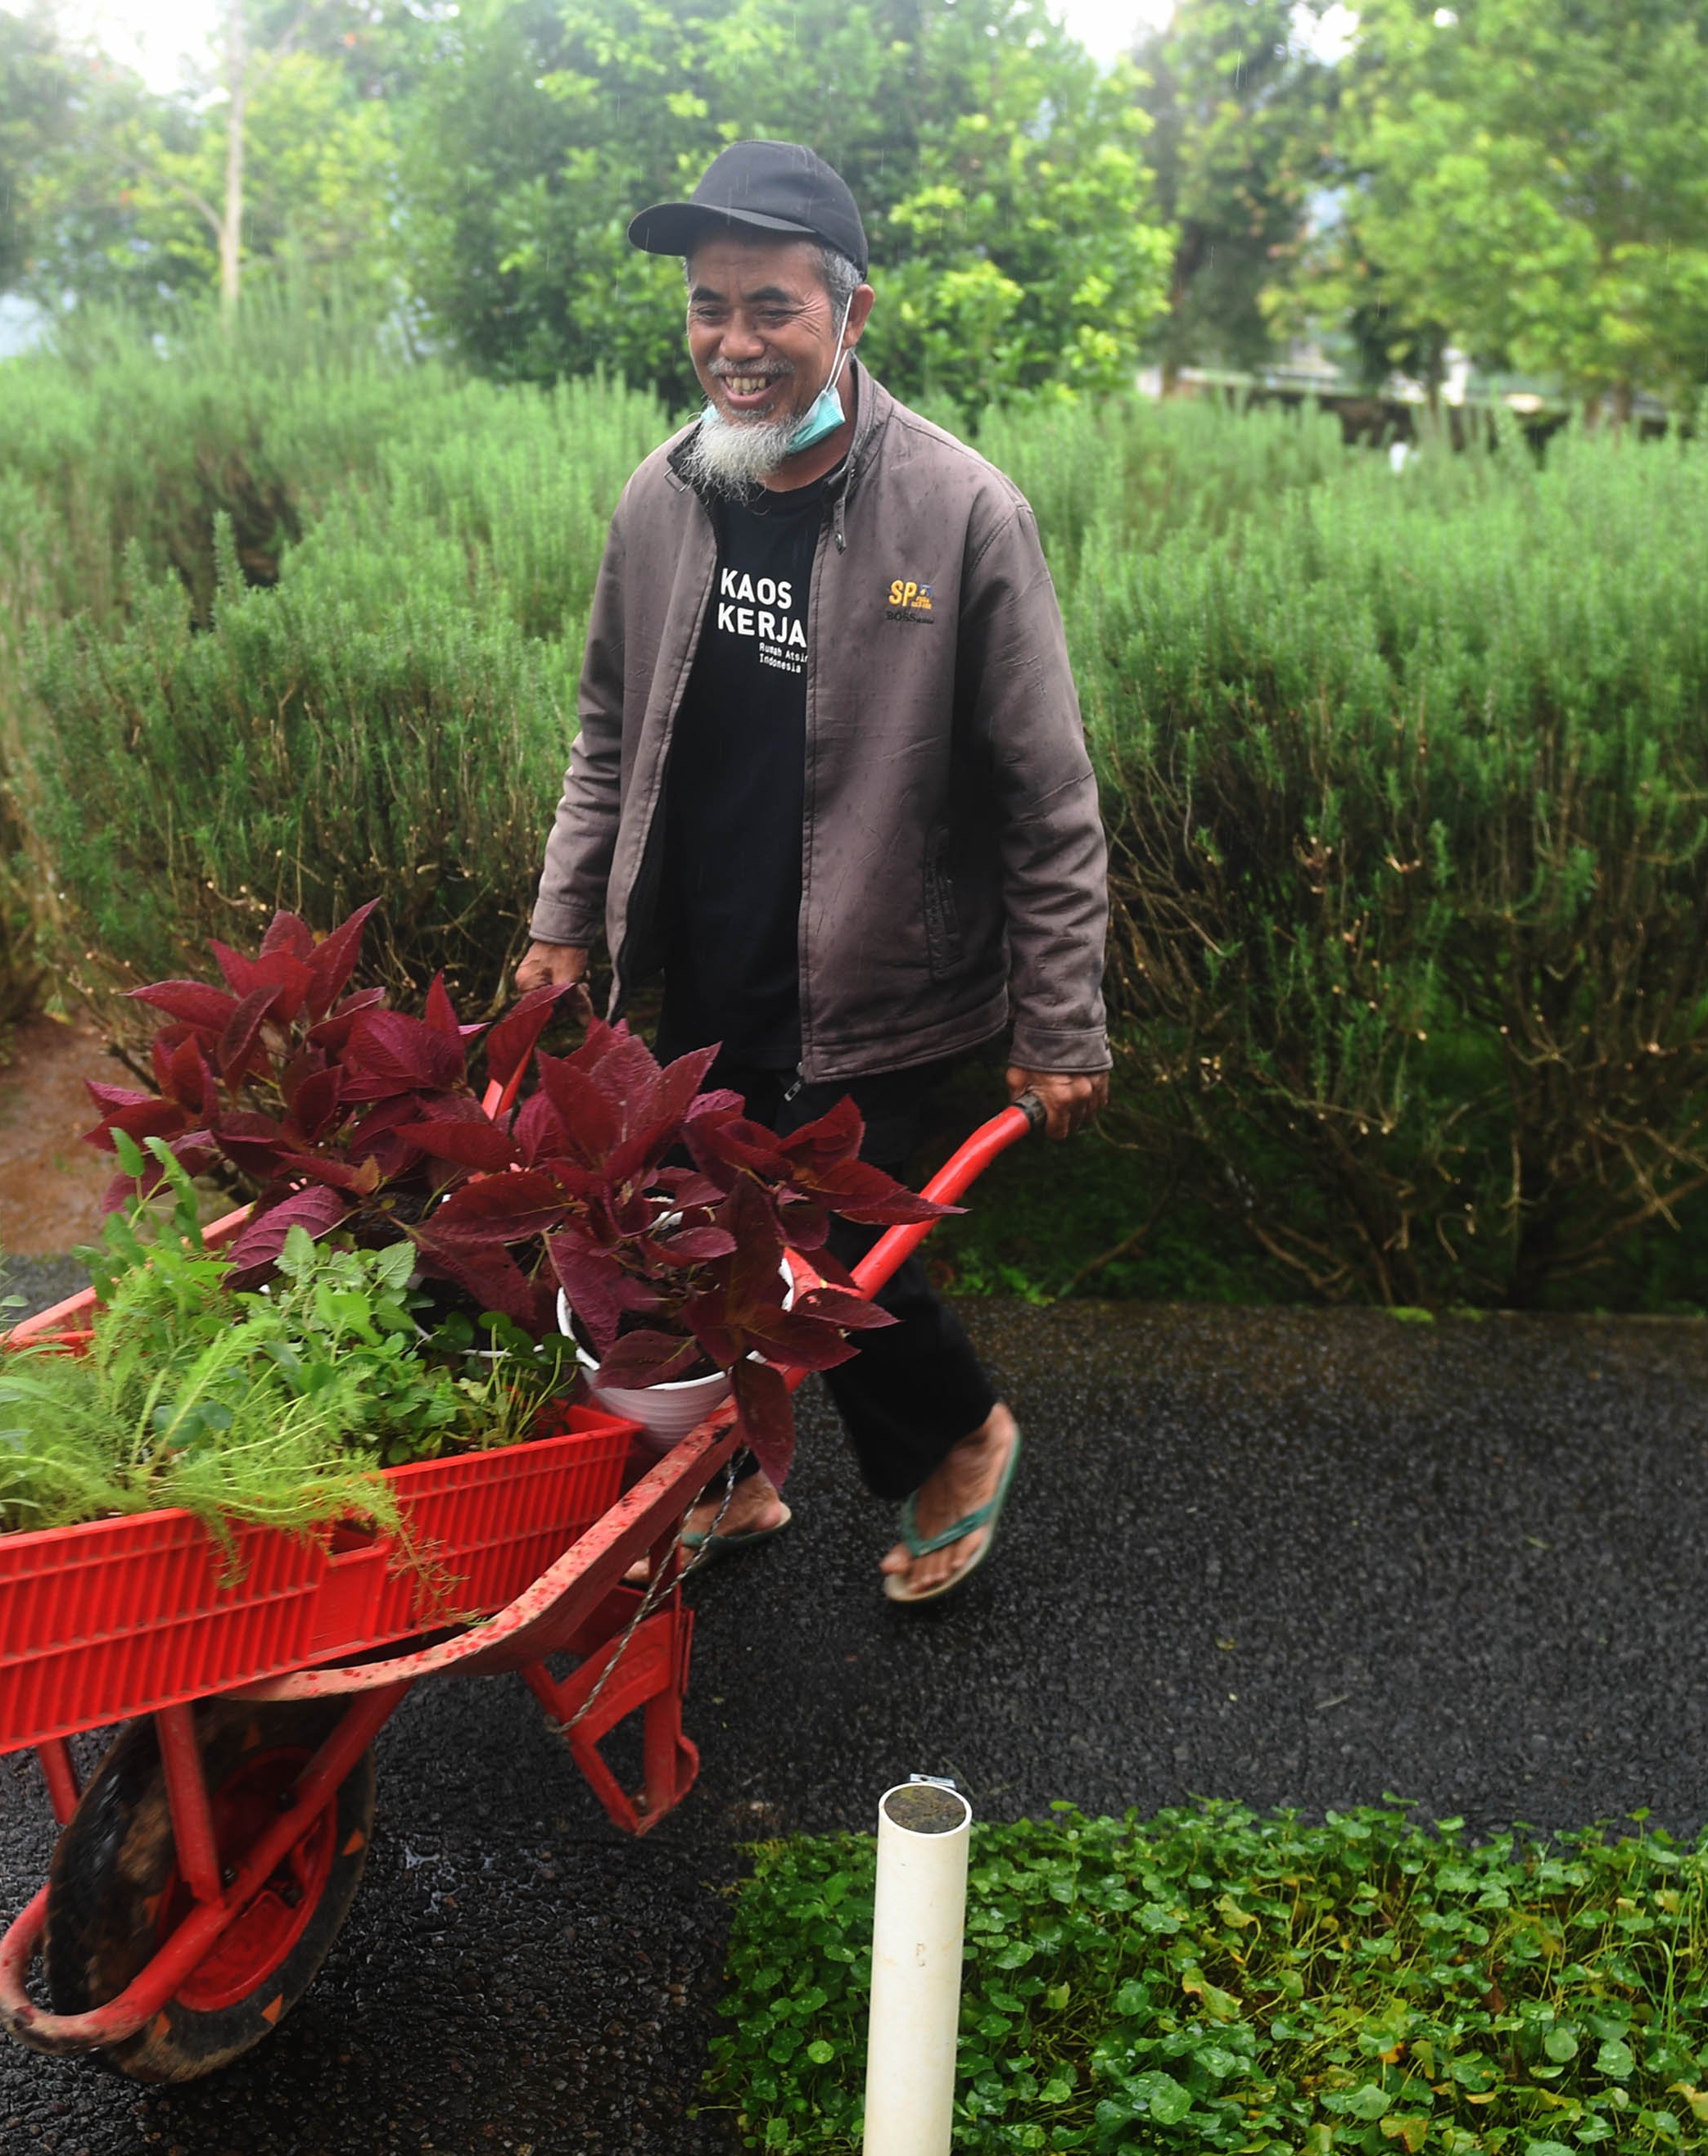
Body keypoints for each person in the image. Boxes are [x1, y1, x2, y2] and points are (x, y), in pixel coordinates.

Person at [515, 138, 1111, 1604]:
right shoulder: (664, 500)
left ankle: (960, 1442)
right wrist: (562, 921)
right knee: (683, 1236)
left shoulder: (963, 515)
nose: (735, 341)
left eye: (771, 306)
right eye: (710, 306)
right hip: (706, 952)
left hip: (884, 976)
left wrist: (1064, 1022)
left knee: (833, 1262)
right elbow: (607, 736)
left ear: (849, 316)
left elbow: (1047, 796)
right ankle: (728, 1477)